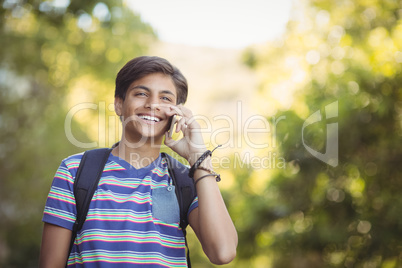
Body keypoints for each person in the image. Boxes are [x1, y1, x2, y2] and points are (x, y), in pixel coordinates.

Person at [39, 56, 238, 267]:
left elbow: (223, 252)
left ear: (177, 114)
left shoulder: (186, 179)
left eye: (165, 99)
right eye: (141, 93)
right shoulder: (75, 171)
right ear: (119, 104)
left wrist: (197, 156)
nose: (152, 104)